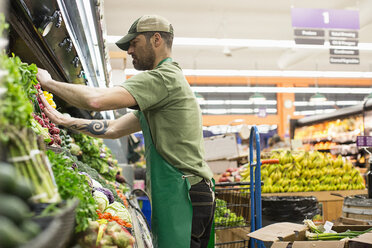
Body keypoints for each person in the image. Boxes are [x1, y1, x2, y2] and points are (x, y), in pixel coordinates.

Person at [37, 15, 215, 248]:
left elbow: (97, 101)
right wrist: (63, 119)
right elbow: (112, 129)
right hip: (184, 191)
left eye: (134, 42)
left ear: (156, 40)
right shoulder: (165, 87)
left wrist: (49, 83)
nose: (129, 50)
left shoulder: (162, 78)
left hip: (183, 192)